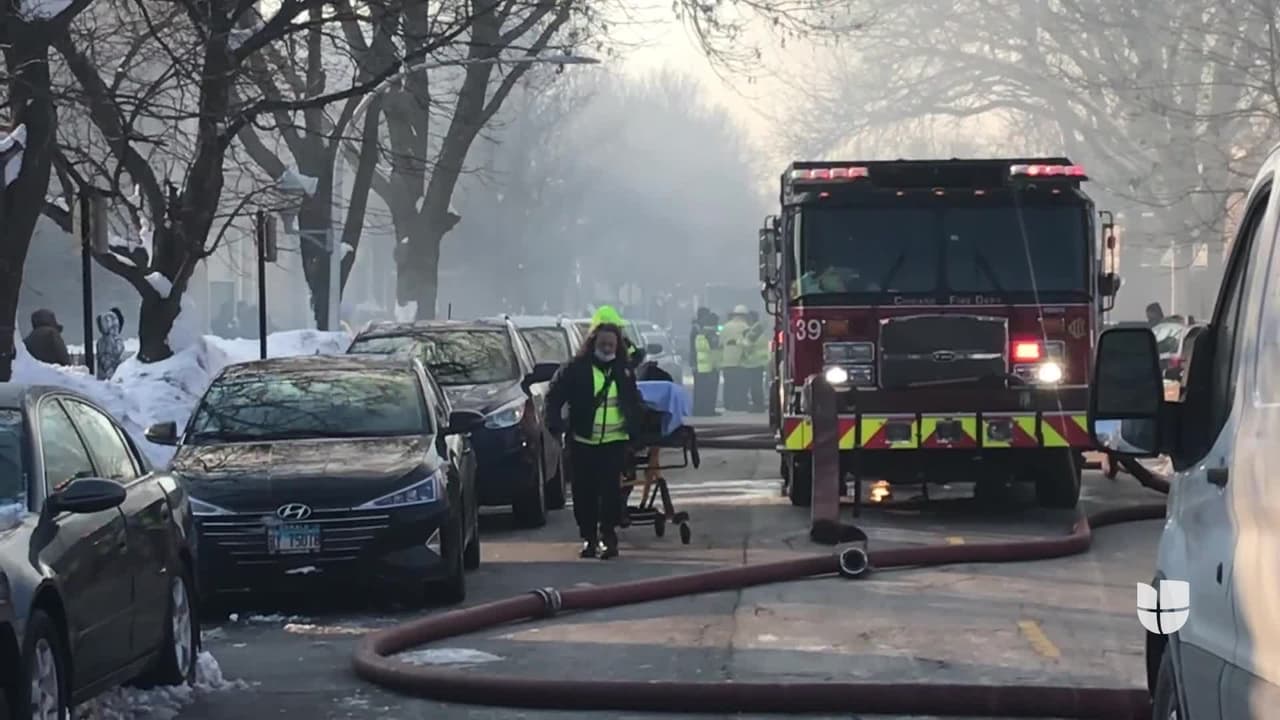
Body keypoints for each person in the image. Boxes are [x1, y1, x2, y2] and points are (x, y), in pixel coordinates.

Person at [546, 323, 644, 560]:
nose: (607, 348)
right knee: (584, 493)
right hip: (583, 442)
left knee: (611, 492)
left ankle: (608, 536)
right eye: (603, 344)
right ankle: (589, 537)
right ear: (592, 344)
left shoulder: (624, 370)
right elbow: (553, 397)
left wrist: (636, 434)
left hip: (614, 442)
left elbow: (633, 402)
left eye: (611, 345)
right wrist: (555, 427)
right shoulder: (575, 369)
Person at [719, 305, 752, 411]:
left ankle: (728, 404)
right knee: (741, 385)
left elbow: (720, 343)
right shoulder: (745, 327)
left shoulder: (726, 326)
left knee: (729, 385)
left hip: (727, 361)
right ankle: (740, 404)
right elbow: (748, 343)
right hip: (740, 361)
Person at [691, 310, 720, 416]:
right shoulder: (711, 334)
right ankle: (708, 410)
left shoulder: (700, 333)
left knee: (700, 391)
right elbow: (713, 352)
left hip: (701, 366)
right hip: (710, 367)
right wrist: (717, 365)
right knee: (710, 391)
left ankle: (699, 410)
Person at [743, 311, 769, 413]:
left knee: (755, 386)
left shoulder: (754, 331)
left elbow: (747, 344)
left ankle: (758, 405)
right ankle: (758, 404)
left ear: (751, 319)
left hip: (754, 362)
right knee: (757, 385)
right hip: (758, 361)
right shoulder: (758, 329)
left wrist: (738, 342)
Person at [95, 307, 126, 380]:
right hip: (111, 379)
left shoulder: (102, 341)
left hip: (106, 379)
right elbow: (107, 361)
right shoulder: (113, 341)